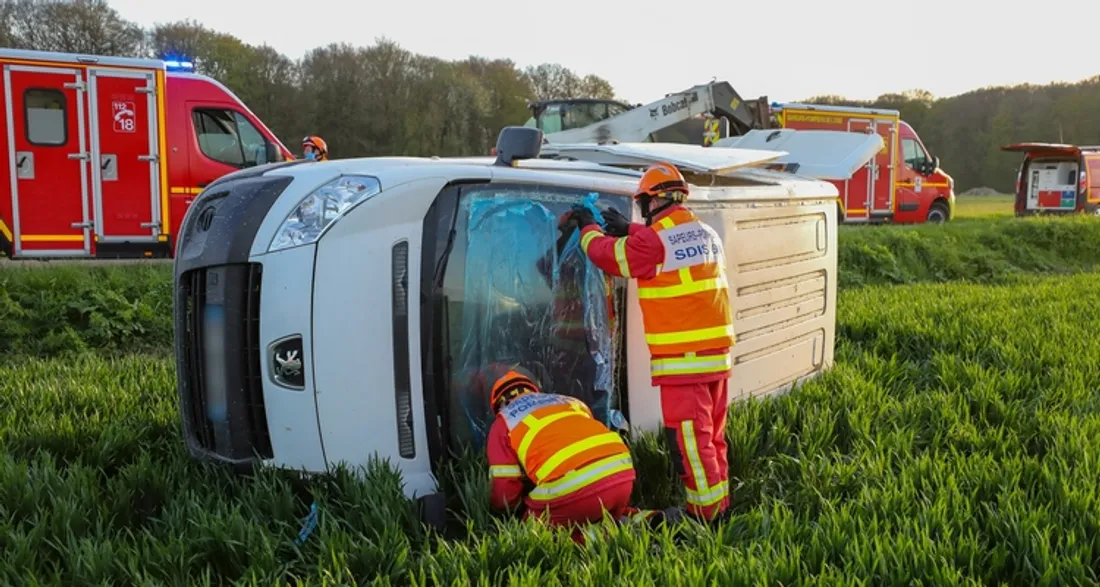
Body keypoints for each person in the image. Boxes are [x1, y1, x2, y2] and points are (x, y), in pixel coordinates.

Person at [567, 162, 734, 524]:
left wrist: (587, 227)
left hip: (682, 363)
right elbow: (666, 252)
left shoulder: (653, 241)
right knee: (712, 438)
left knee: (690, 443)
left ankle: (704, 518)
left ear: (653, 201)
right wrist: (632, 230)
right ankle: (720, 504)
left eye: (643, 204)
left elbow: (607, 256)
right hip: (716, 358)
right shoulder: (704, 232)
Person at [484, 365, 674, 541]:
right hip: (621, 475)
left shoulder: (505, 421)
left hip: (570, 486)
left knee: (531, 534)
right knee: (601, 507)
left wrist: (502, 512)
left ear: (498, 404)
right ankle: (647, 519)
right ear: (533, 390)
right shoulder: (569, 401)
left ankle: (600, 537)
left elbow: (505, 486)